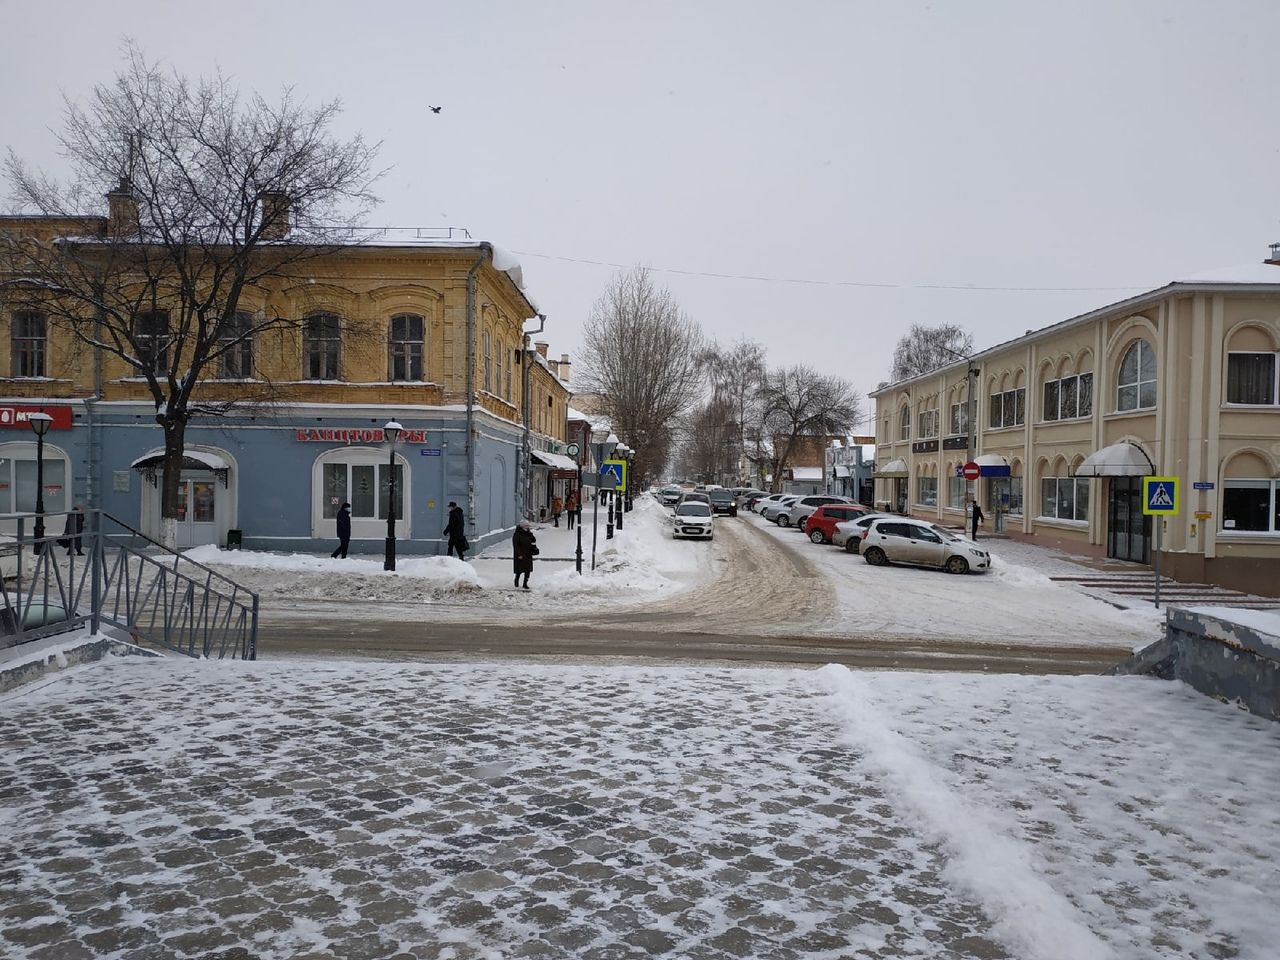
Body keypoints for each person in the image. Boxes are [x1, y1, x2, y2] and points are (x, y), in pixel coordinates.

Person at [512, 520, 537, 589]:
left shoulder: (529, 533)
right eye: (526, 525)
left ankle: (525, 583)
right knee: (519, 570)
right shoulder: (517, 534)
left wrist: (534, 546)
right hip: (520, 554)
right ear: (522, 526)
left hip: (528, 554)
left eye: (528, 525)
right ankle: (516, 580)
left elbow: (533, 541)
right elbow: (515, 545)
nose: (528, 527)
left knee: (527, 570)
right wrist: (519, 554)